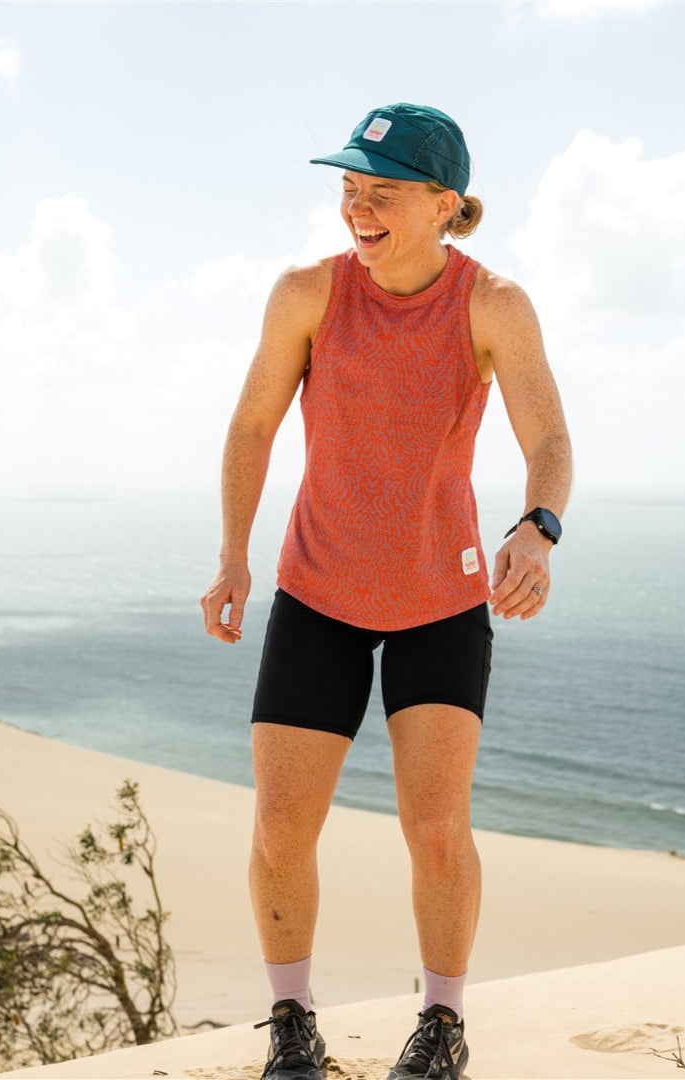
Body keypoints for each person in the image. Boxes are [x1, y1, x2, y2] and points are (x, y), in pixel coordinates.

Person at [200, 103, 572, 1080]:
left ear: (444, 204)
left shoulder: (493, 304)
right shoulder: (306, 295)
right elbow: (251, 428)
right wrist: (235, 556)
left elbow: (549, 443)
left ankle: (442, 1026)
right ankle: (293, 1024)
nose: (356, 207)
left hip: (440, 606)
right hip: (315, 595)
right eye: (349, 188)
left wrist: (537, 528)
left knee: (437, 828)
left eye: (382, 190)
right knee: (281, 826)